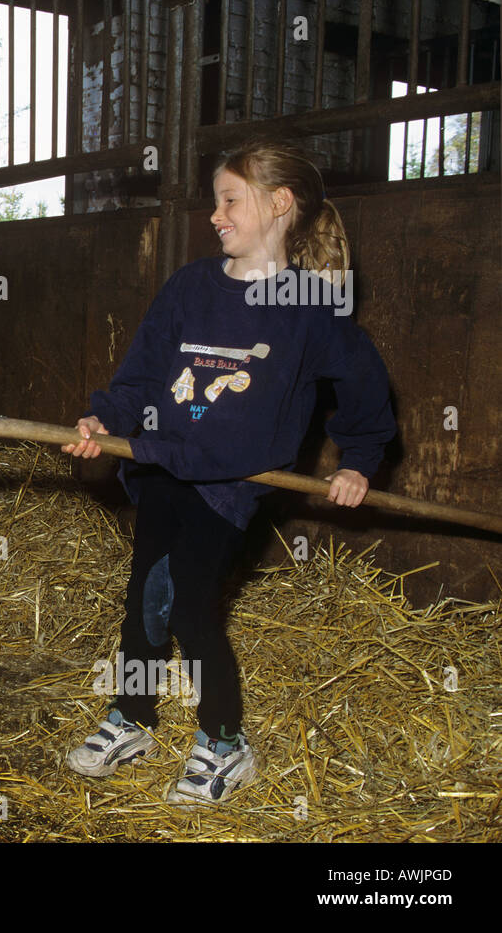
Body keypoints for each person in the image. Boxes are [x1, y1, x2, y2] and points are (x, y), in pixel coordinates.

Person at [61, 139, 396, 806]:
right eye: (215, 201)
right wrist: (107, 420)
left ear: (279, 204)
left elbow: (365, 386)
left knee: (189, 604)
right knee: (144, 604)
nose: (215, 215)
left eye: (229, 200)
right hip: (160, 465)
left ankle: (223, 741)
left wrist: (358, 461)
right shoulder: (189, 287)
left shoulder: (308, 306)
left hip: (229, 485)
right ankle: (132, 719)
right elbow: (143, 373)